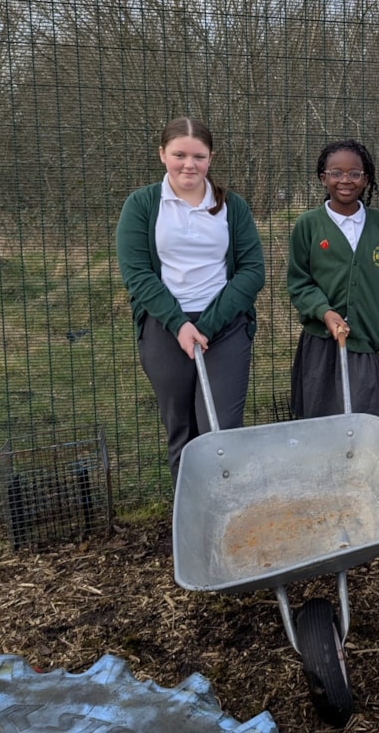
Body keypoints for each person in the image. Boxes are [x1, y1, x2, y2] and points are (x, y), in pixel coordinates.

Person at [116, 117, 265, 484]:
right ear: (162, 154)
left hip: (225, 327)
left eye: (198, 156)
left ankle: (228, 509)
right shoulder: (143, 205)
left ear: (210, 158)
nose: (189, 164)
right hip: (164, 327)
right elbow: (137, 273)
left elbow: (252, 271)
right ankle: (192, 520)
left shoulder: (233, 207)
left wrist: (206, 325)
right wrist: (179, 324)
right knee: (181, 428)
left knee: (221, 428)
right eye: (179, 154)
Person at [287, 140, 379, 419]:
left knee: (363, 422)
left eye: (354, 173)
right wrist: (324, 312)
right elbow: (299, 283)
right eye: (336, 173)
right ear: (323, 177)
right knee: (318, 421)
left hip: (364, 341)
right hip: (320, 344)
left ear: (366, 179)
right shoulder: (308, 225)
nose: (345, 180)